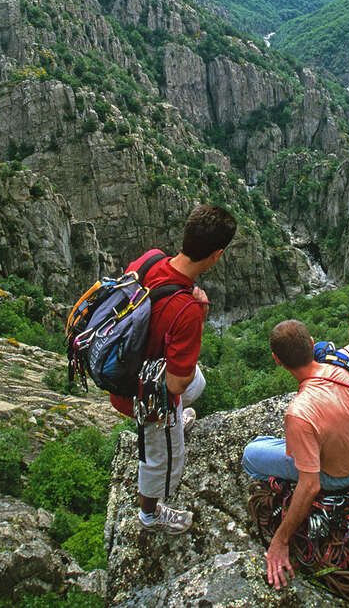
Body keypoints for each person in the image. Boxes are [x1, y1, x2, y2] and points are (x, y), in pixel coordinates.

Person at [110, 203, 236, 534]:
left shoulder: (149, 259)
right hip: (142, 396)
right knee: (164, 459)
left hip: (124, 367)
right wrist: (199, 314)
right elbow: (177, 384)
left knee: (201, 381)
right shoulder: (188, 310)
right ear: (217, 254)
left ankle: (176, 421)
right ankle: (150, 515)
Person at [242, 318, 349, 590]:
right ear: (312, 344)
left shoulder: (299, 413)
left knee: (252, 453)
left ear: (276, 360)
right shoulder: (343, 362)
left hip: (339, 476)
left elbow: (311, 485)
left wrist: (280, 541)